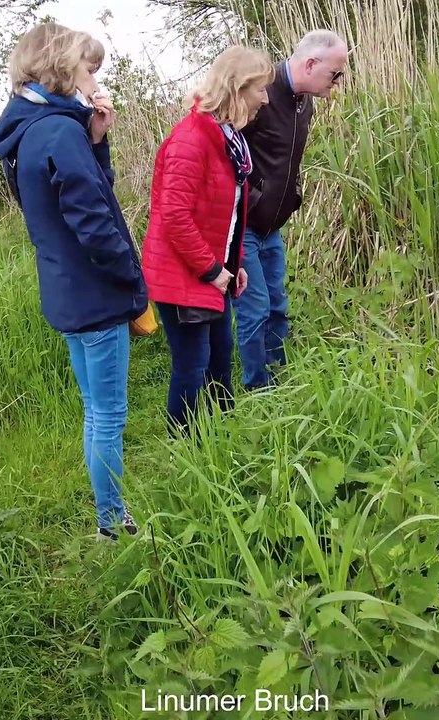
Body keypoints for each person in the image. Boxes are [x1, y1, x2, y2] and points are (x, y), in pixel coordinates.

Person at [0, 23, 145, 542]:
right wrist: (132, 279)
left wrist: (97, 140)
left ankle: (108, 513)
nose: (92, 76)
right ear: (60, 66)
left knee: (94, 411)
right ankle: (112, 524)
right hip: (96, 296)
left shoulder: (32, 131)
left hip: (66, 291)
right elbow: (95, 222)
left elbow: (76, 198)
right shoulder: (58, 132)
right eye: (87, 66)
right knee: (109, 417)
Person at [140, 46, 275, 438]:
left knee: (220, 358)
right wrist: (213, 270)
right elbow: (175, 216)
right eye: (260, 89)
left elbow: (224, 213)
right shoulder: (191, 139)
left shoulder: (226, 137)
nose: (265, 99)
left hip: (208, 270)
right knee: (193, 363)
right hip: (182, 274)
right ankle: (183, 449)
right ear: (237, 88)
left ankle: (225, 440)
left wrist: (234, 265)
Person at [234, 29, 348, 391]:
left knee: (278, 306)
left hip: (273, 226)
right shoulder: (261, 94)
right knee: (255, 310)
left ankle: (280, 383)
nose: (338, 83)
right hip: (245, 226)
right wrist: (249, 199)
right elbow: (227, 149)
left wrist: (291, 195)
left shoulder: (305, 102)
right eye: (336, 74)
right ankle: (257, 389)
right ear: (311, 64)